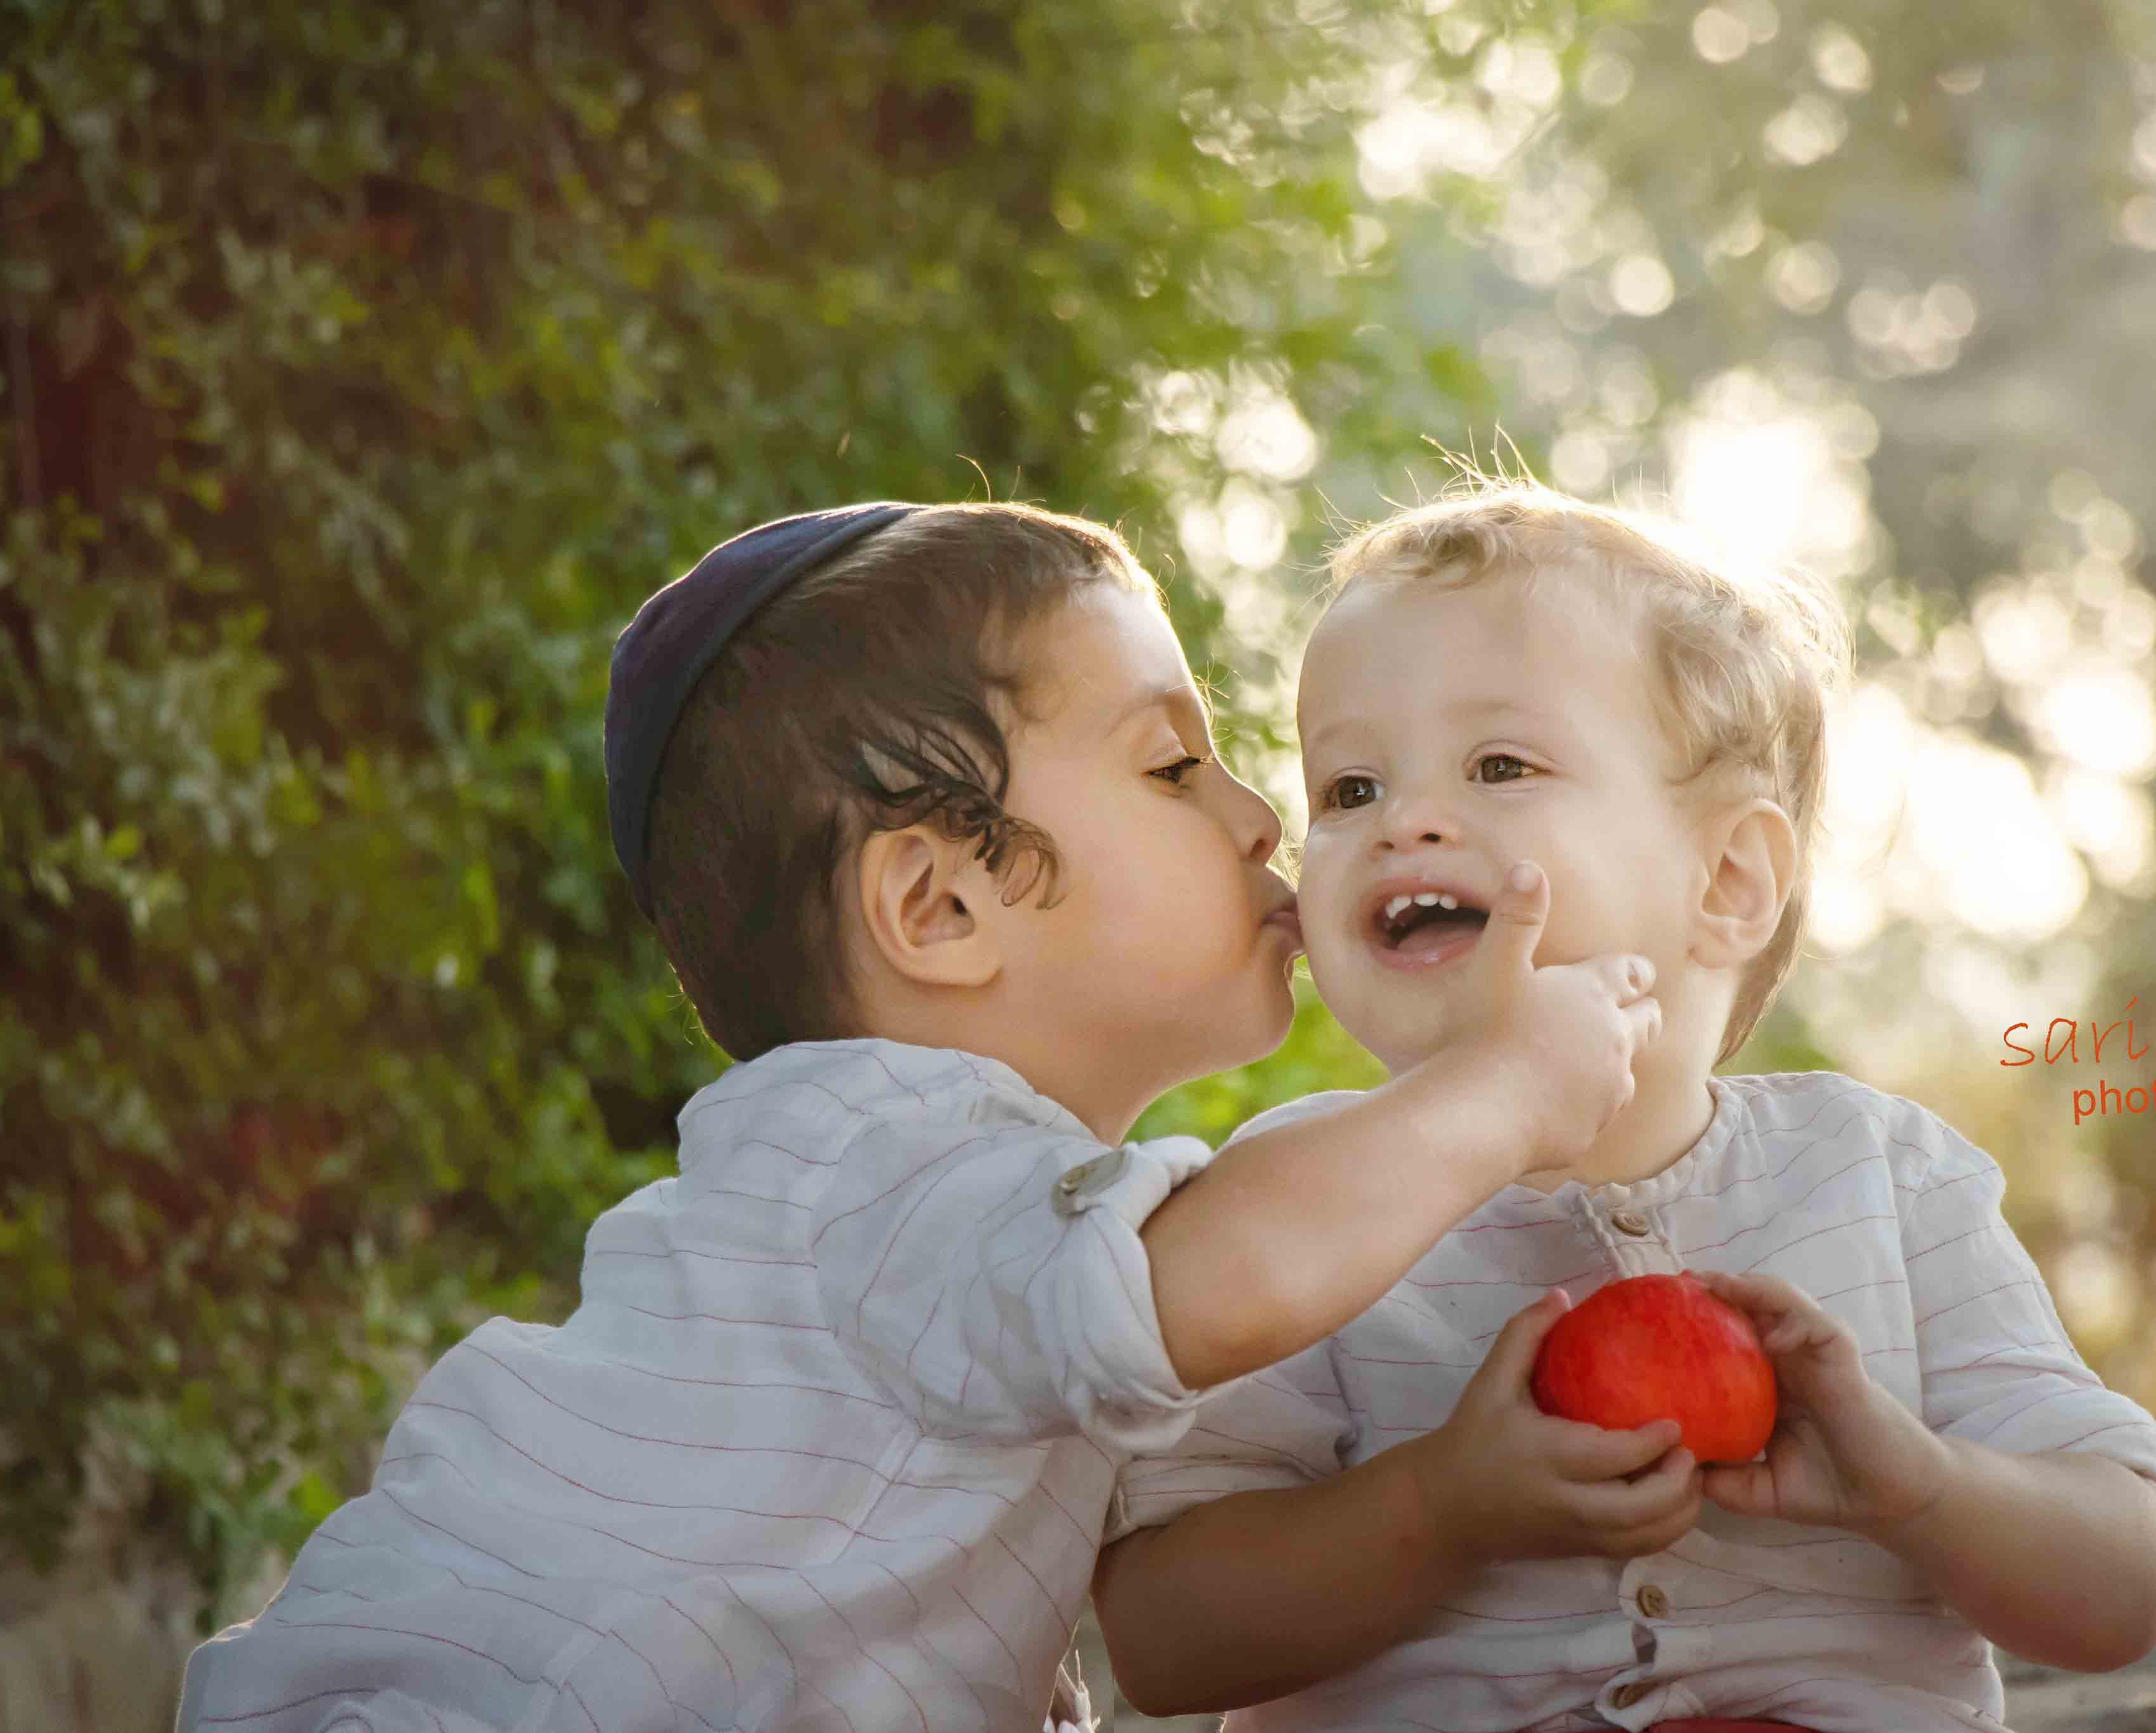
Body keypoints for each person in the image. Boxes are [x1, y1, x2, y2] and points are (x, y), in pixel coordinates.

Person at [172, 500, 1665, 1733]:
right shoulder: (877, 1149)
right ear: (938, 905)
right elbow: (1228, 1270)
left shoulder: (903, 1221)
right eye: (1169, 763)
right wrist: (1505, 1090)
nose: (1263, 813)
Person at [1091, 483, 2156, 1733]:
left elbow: (2123, 1589)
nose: (1406, 820)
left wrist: (1915, 1483)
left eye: (1500, 764)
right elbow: (1165, 1643)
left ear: (1727, 877)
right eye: (1347, 788)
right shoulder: (1289, 1208)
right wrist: (1440, 1506)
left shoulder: (1887, 1179)